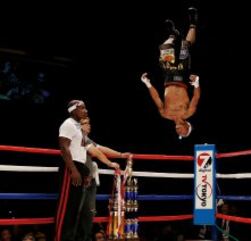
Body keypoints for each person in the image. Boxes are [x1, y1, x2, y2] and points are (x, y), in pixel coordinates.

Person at [55, 100, 129, 241]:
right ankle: (60, 237)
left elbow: (97, 149)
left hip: (80, 169)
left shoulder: (80, 131)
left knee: (74, 208)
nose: (86, 110)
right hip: (71, 168)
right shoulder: (68, 124)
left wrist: (120, 155)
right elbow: (64, 148)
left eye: (85, 108)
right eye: (82, 108)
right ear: (73, 110)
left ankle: (70, 237)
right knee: (67, 208)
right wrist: (74, 170)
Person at [141, 7, 200, 139]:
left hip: (168, 76)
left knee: (165, 47)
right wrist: (196, 84)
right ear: (187, 126)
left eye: (179, 135)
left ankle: (173, 35)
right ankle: (193, 23)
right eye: (184, 133)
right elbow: (195, 99)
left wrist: (148, 84)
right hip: (182, 75)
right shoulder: (188, 113)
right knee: (185, 45)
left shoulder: (165, 114)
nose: (179, 133)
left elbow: (156, 98)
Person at [80, 117, 131, 240]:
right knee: (80, 211)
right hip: (80, 179)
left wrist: (120, 155)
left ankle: (85, 237)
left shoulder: (87, 139)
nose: (89, 125)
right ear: (78, 126)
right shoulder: (78, 138)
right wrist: (110, 163)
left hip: (88, 180)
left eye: (89, 123)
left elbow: (100, 148)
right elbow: (96, 152)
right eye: (85, 124)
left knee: (90, 211)